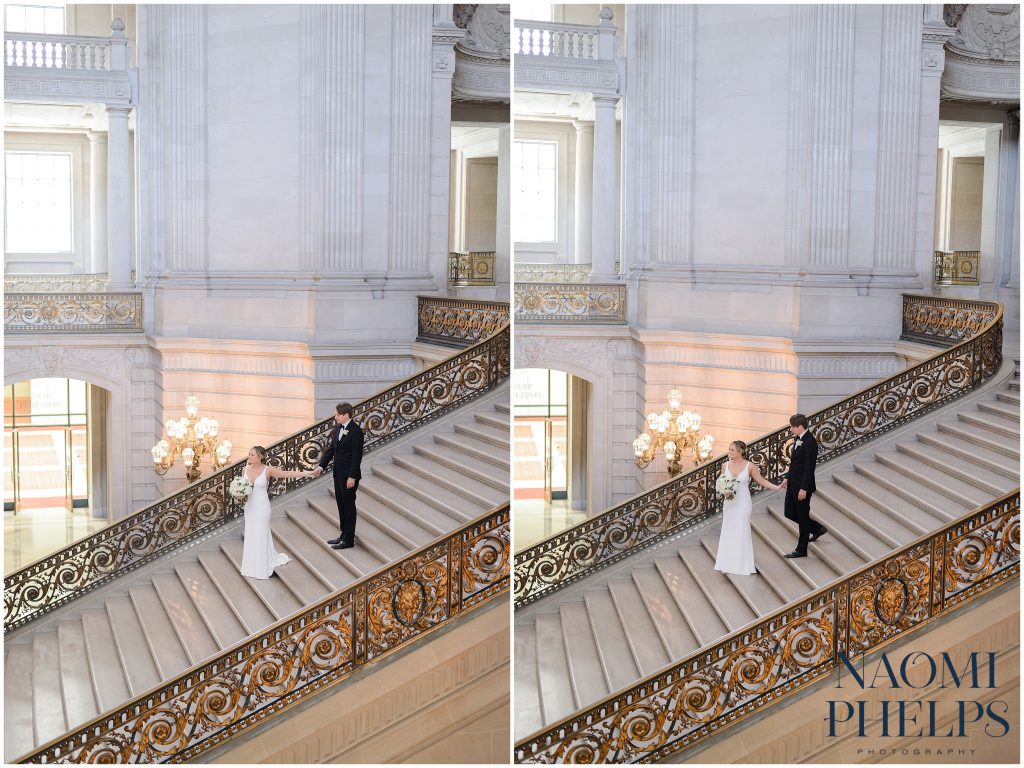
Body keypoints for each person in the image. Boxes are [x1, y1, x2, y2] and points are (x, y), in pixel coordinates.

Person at [240, 446, 316, 579]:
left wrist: (308, 473)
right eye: (249, 454)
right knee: (252, 533)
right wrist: (239, 495)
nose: (249, 457)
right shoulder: (244, 469)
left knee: (261, 533)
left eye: (252, 455)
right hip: (250, 507)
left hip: (262, 507)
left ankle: (262, 566)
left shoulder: (268, 470)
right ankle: (251, 564)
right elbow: (242, 490)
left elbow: (286, 474)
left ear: (260, 457)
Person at [715, 440, 783, 575]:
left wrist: (777, 487)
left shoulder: (750, 466)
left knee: (741, 529)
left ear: (740, 451)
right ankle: (727, 562)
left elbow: (762, 481)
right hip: (729, 503)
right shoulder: (725, 465)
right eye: (729, 449)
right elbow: (721, 483)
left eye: (732, 450)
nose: (729, 452)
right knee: (729, 530)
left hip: (743, 503)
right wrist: (724, 491)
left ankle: (742, 564)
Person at [313, 402, 364, 550]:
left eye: (338, 415)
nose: (335, 417)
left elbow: (357, 457)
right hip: (338, 474)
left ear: (346, 415)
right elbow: (331, 450)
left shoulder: (356, 432)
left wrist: (352, 477)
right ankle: (343, 534)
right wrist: (320, 466)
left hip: (349, 477)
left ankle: (349, 539)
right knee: (341, 505)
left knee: (348, 507)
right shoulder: (338, 428)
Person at [782, 414, 827, 558]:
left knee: (802, 517)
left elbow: (809, 469)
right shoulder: (798, 438)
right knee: (788, 512)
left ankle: (801, 550)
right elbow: (794, 463)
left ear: (799, 427)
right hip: (792, 483)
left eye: (792, 427)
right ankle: (816, 528)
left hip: (802, 486)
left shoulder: (810, 442)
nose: (790, 429)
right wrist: (787, 478)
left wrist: (804, 489)